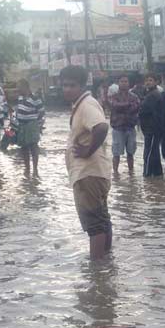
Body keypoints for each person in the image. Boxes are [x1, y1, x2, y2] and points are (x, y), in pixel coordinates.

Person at [60, 65, 113, 260]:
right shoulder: (82, 104)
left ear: (82, 86)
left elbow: (101, 127)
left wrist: (88, 150)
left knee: (95, 224)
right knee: (102, 219)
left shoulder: (86, 105)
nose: (67, 89)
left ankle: (97, 271)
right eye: (64, 85)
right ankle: (106, 262)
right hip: (94, 172)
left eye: (72, 85)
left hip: (88, 174)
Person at [108, 74, 140, 174]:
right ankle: (115, 174)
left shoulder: (134, 96)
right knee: (116, 153)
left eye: (126, 81)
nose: (124, 83)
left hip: (130, 127)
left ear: (129, 83)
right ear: (118, 83)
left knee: (131, 153)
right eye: (122, 81)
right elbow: (115, 106)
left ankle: (131, 173)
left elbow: (136, 107)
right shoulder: (114, 96)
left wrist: (123, 107)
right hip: (118, 128)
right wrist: (128, 105)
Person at [14, 79, 45, 172]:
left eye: (19, 87)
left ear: (25, 87)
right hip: (21, 125)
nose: (18, 89)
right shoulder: (20, 98)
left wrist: (37, 124)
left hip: (31, 125)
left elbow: (42, 111)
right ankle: (27, 168)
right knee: (23, 147)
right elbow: (19, 110)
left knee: (33, 146)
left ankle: (35, 169)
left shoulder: (35, 98)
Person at [139, 74, 164, 178]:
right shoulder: (151, 94)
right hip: (152, 128)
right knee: (154, 152)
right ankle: (158, 174)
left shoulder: (153, 95)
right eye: (146, 80)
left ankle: (147, 174)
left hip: (152, 128)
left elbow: (143, 111)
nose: (148, 82)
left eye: (150, 80)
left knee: (149, 153)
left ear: (156, 82)